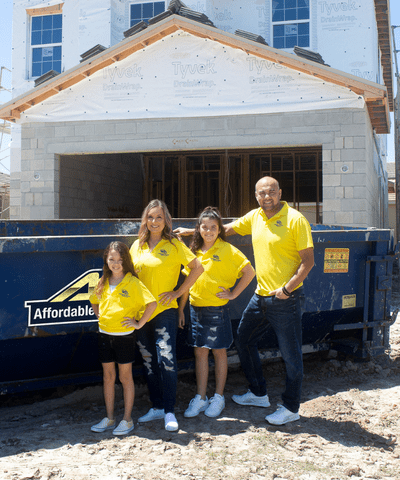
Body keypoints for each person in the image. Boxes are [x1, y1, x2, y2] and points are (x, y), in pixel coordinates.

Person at [175, 176, 314, 425]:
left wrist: (287, 289)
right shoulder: (255, 216)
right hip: (260, 296)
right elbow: (225, 228)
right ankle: (259, 393)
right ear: (256, 195)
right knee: (243, 339)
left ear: (280, 192)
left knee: (291, 355)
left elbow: (308, 261)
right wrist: (191, 231)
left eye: (271, 191)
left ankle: (291, 407)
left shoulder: (296, 220)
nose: (267, 197)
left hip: (285, 298)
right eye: (262, 193)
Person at [130, 199, 204, 432]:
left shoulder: (174, 244)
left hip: (165, 311)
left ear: (166, 221)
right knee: (148, 361)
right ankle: (157, 407)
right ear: (145, 220)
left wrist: (178, 293)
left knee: (167, 359)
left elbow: (198, 268)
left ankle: (170, 411)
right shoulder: (137, 245)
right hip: (141, 313)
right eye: (150, 217)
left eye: (159, 217)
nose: (154, 221)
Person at [179, 207, 255, 418]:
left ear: (219, 229)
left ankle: (218, 397)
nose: (209, 231)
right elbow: (187, 283)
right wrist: (181, 309)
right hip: (195, 309)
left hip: (216, 310)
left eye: (213, 227)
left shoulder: (228, 250)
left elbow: (249, 272)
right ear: (199, 229)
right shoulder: (194, 251)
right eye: (204, 227)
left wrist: (233, 294)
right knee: (200, 352)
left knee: (219, 352)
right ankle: (201, 397)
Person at [89, 241, 157, 436]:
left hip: (124, 337)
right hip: (104, 334)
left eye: (120, 260)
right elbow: (94, 300)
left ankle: (127, 420)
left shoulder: (133, 282)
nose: (116, 263)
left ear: (126, 261)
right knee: (108, 377)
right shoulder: (103, 280)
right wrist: (100, 316)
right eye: (112, 259)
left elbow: (151, 304)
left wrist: (139, 323)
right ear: (106, 260)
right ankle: (109, 418)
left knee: (125, 377)